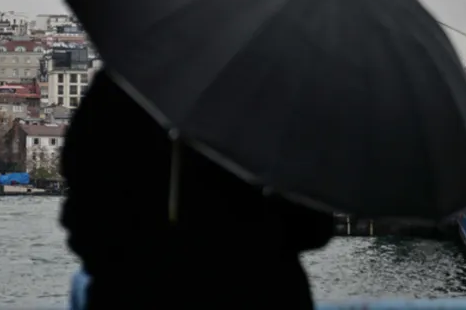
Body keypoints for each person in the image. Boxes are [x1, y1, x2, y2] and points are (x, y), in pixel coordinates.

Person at [60, 71, 334, 308]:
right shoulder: (283, 100)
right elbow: (314, 227)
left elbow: (80, 214)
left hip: (135, 291)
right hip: (263, 292)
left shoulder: (123, 86)